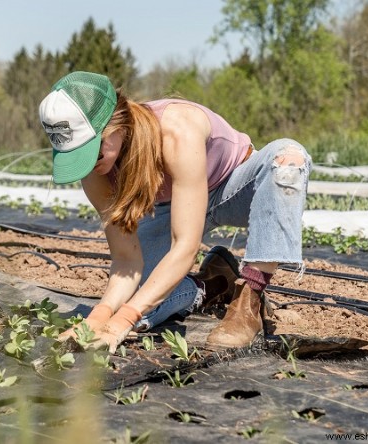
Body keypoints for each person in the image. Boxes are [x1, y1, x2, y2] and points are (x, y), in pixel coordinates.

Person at [38, 71, 311, 352]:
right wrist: (100, 317)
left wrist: (122, 320)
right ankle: (212, 284)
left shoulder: (176, 129)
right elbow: (126, 260)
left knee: (288, 159)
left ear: (115, 124)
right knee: (140, 305)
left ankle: (249, 299)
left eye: (92, 152)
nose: (90, 165)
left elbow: (185, 247)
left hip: (235, 188)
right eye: (76, 156)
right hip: (173, 207)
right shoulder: (96, 172)